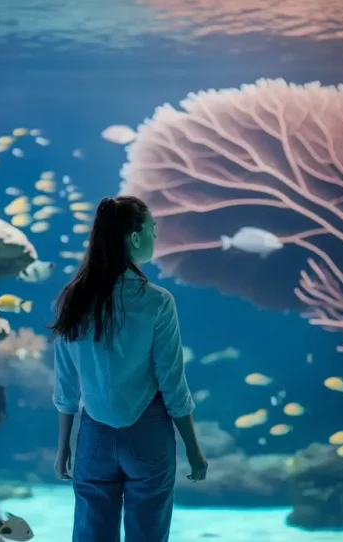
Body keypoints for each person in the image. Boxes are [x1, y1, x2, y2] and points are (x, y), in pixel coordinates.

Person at [50, 195, 208, 542]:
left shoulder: (72, 300)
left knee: (91, 533)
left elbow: (66, 387)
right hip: (148, 433)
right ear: (134, 237)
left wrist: (64, 446)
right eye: (152, 229)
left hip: (92, 436)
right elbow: (172, 383)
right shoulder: (158, 301)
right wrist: (193, 448)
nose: (154, 236)